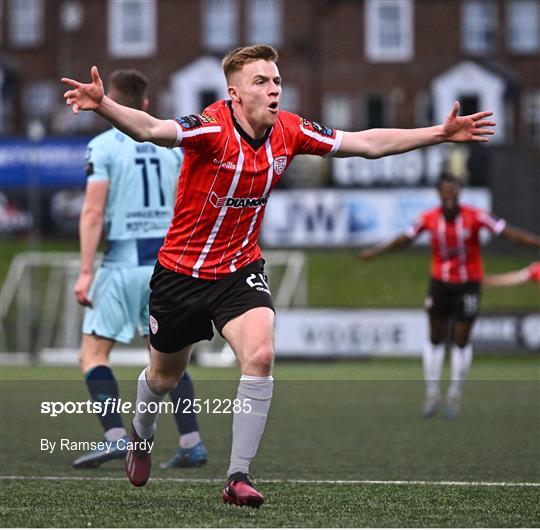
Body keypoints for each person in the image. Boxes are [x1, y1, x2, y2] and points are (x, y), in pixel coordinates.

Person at [62, 44, 497, 507]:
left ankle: (237, 476)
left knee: (262, 353)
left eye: (276, 81)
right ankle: (142, 434)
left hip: (240, 269)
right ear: (234, 94)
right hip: (180, 275)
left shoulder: (290, 129)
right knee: (164, 376)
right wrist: (103, 104)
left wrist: (439, 132)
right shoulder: (209, 125)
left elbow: (366, 144)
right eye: (261, 82)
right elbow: (151, 128)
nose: (274, 90)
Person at [72, 69, 207, 470]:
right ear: (146, 105)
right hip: (169, 265)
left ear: (109, 101)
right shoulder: (173, 147)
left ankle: (116, 437)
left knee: (94, 353)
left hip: (123, 263)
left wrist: (84, 271)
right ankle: (191, 441)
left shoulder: (103, 145)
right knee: (169, 358)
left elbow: (93, 211)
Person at [361, 175, 540, 418]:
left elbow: (509, 234)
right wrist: (377, 251)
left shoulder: (476, 216)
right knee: (435, 337)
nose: (449, 196)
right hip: (440, 284)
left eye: (453, 191)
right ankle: (432, 393)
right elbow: (405, 238)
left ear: (459, 193)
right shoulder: (428, 218)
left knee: (461, 338)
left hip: (468, 284)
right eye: (444, 192)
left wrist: (536, 243)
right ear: (438, 194)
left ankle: (455, 394)